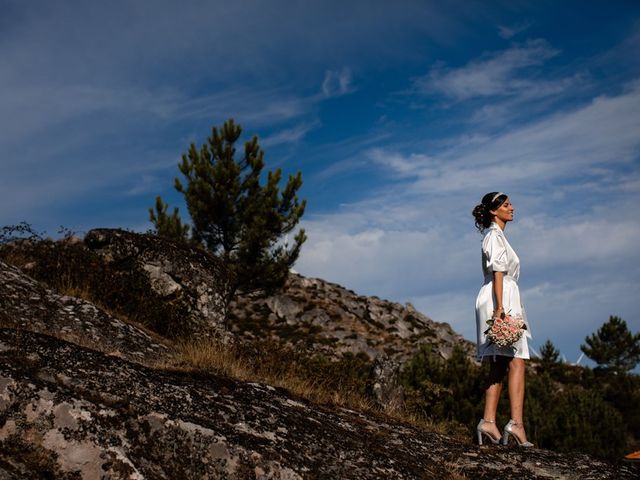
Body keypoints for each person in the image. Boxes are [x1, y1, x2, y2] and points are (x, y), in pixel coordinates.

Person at [472, 192, 533, 448]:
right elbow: (498, 271)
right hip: (501, 297)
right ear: (494, 211)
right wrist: (500, 309)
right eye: (506, 205)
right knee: (517, 361)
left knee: (498, 363)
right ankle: (516, 425)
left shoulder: (496, 236)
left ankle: (488, 421)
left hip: (501, 295)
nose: (512, 208)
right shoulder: (495, 236)